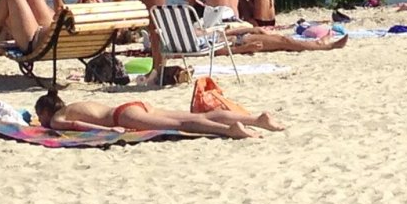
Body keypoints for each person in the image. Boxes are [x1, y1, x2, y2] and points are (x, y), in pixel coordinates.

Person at [34, 89, 283, 139]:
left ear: (46, 110)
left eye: (40, 116)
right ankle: (256, 120)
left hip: (123, 115)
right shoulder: (74, 102)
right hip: (137, 104)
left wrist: (109, 131)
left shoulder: (57, 118)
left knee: (185, 123)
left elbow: (77, 126)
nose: (42, 122)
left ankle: (230, 130)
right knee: (194, 117)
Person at [227, 28, 348, 54]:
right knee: (284, 41)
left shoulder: (209, 32)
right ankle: (324, 46)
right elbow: (217, 51)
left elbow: (226, 32)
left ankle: (319, 43)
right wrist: (243, 49)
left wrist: (253, 29)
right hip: (240, 42)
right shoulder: (208, 40)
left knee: (283, 40)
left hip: (243, 37)